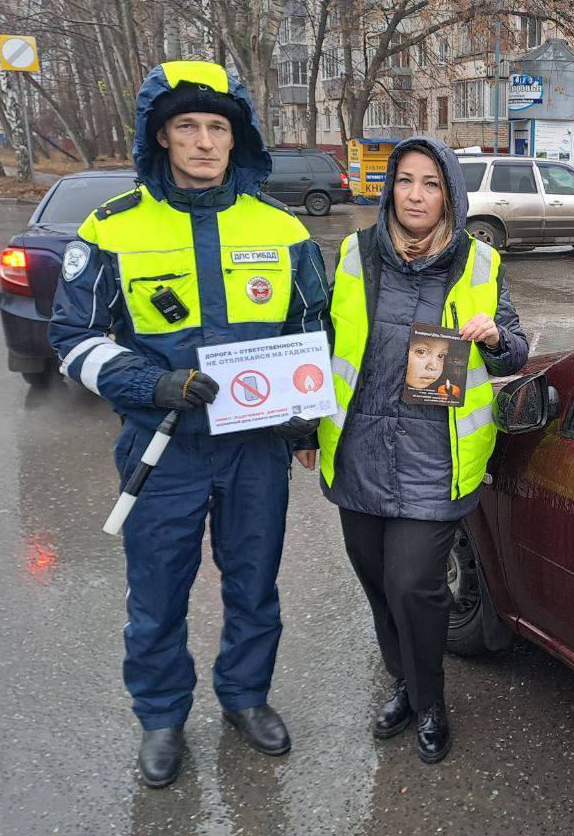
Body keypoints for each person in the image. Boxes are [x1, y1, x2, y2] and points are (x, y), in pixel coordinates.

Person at [48, 61, 328, 789]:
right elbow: (72, 337)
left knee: (254, 585)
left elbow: (311, 330)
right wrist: (150, 383)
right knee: (157, 593)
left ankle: (245, 697)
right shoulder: (112, 227)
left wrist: (305, 427)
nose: (204, 142)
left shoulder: (281, 227)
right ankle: (162, 716)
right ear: (161, 136)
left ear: (237, 139)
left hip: (255, 449)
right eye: (187, 127)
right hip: (161, 444)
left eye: (217, 128)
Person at [304, 138, 528, 764]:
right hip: (359, 451)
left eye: (431, 183)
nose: (416, 195)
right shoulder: (356, 253)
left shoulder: (480, 262)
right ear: (389, 189)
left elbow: (515, 351)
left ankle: (431, 701)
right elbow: (321, 345)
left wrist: (495, 339)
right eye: (405, 180)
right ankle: (402, 682)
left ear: (450, 195)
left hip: (435, 456)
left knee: (414, 586)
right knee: (378, 584)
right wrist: (302, 430)